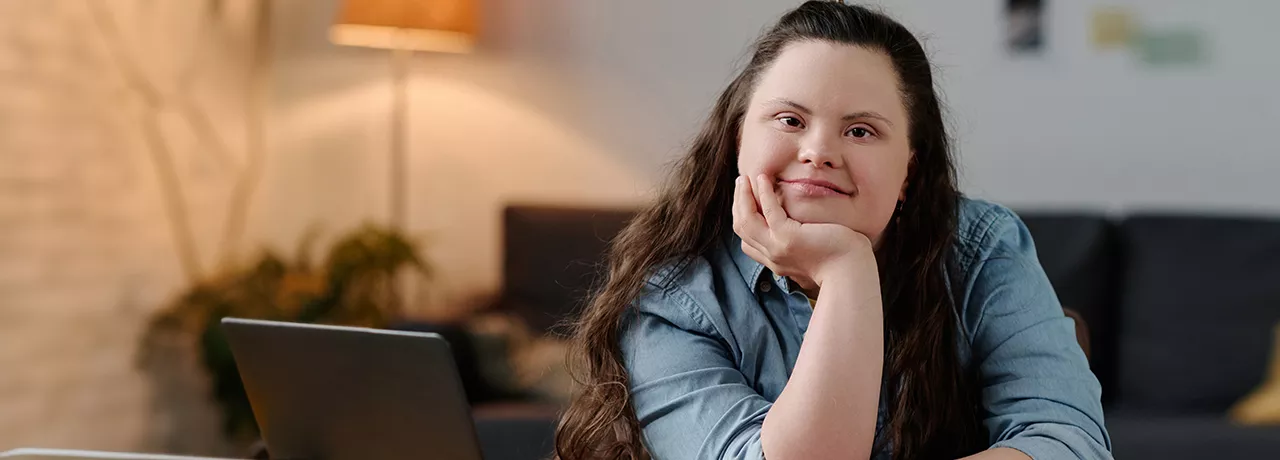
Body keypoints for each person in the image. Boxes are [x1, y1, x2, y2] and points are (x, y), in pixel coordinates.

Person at [554, 1, 1111, 459]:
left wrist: (845, 268)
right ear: (736, 141)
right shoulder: (672, 298)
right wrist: (846, 269)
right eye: (790, 120)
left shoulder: (980, 247)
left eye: (862, 131)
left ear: (907, 174)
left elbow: (1068, 440)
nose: (819, 151)